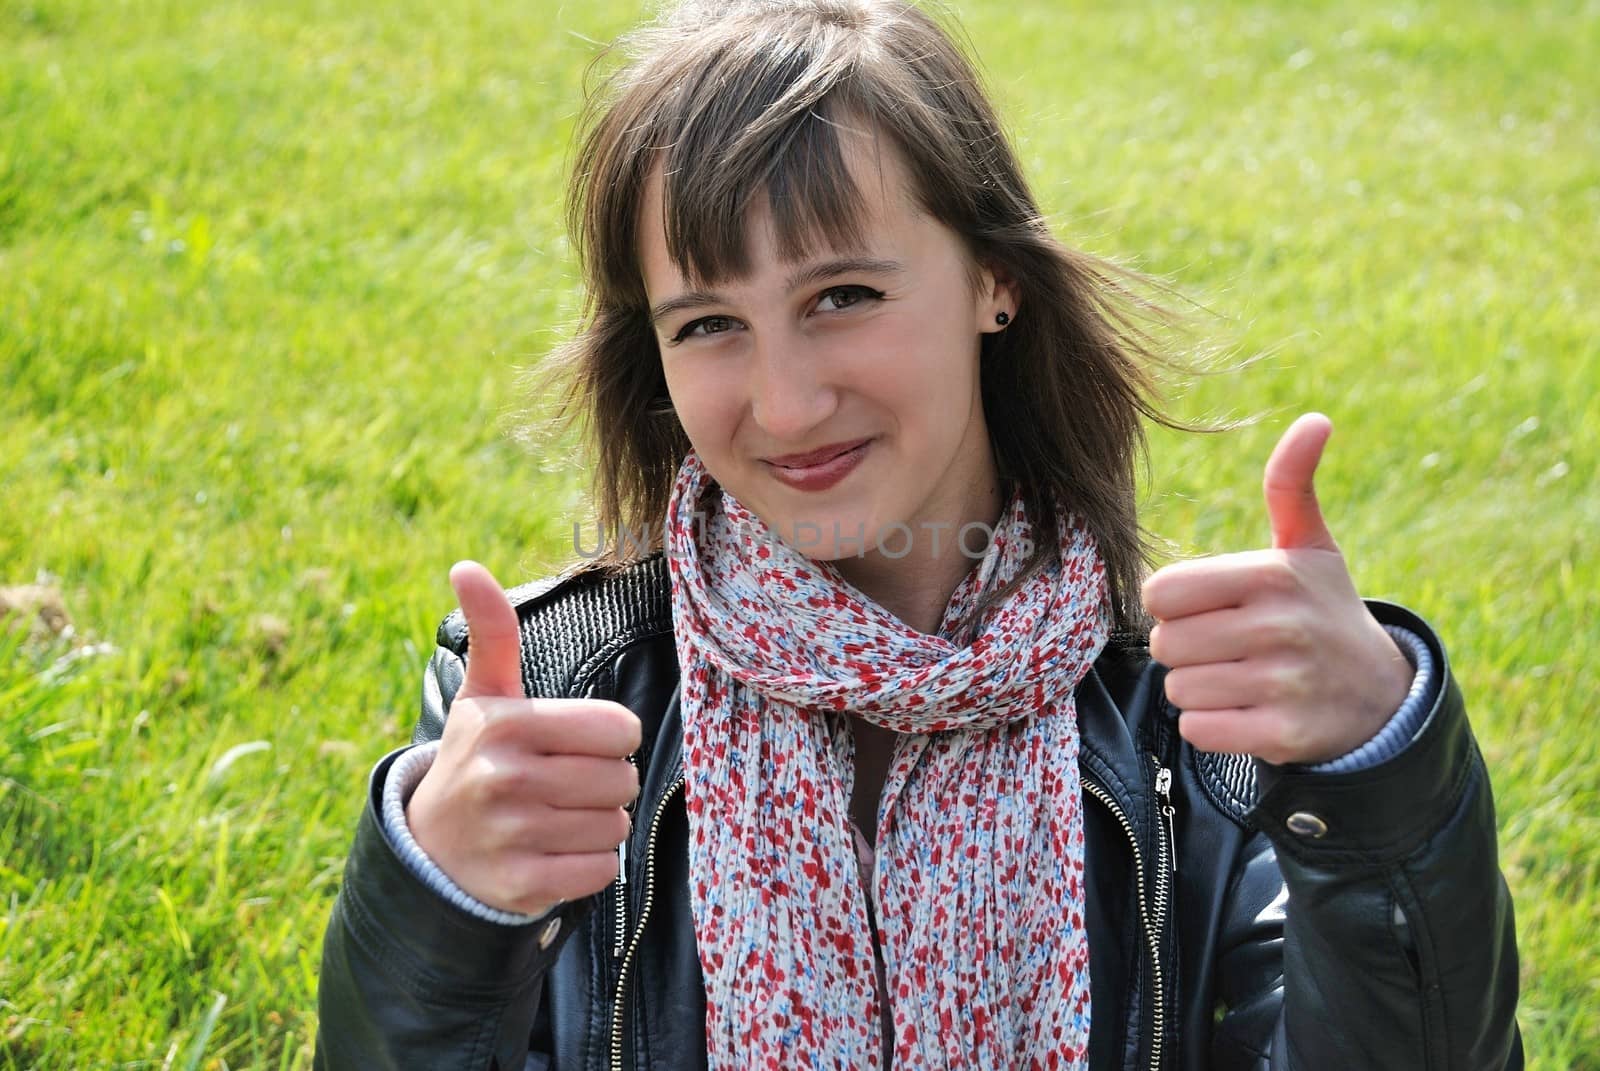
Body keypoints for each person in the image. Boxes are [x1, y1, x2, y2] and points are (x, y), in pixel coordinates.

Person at [313, 1, 1523, 1067]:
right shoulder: (553, 704)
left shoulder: (1201, 719)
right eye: (708, 324)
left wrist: (1376, 778)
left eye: (843, 296)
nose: (783, 404)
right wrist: (441, 905)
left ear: (995, 279)